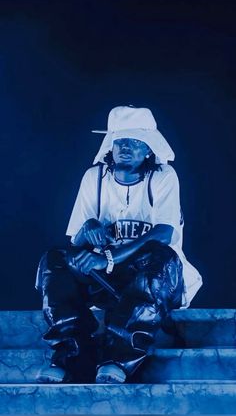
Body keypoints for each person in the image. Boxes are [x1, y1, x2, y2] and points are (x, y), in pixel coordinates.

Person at [35, 106, 202, 384]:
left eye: (136, 142)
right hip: (108, 279)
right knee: (54, 260)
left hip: (158, 280)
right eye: (121, 141)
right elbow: (76, 240)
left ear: (149, 148)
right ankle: (69, 355)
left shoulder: (163, 177)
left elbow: (162, 233)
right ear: (110, 146)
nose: (127, 147)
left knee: (159, 255)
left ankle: (118, 360)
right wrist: (85, 230)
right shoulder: (94, 178)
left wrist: (109, 258)